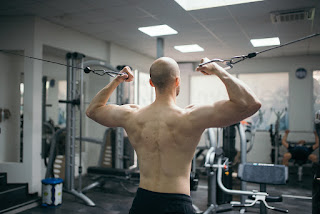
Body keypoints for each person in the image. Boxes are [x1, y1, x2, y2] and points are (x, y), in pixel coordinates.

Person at [86, 57, 261, 214]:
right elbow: (250, 104)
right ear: (177, 81)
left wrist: (117, 80)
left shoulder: (132, 115)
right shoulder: (191, 117)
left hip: (143, 202)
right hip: (177, 204)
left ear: (151, 83)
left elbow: (93, 110)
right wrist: (217, 69)